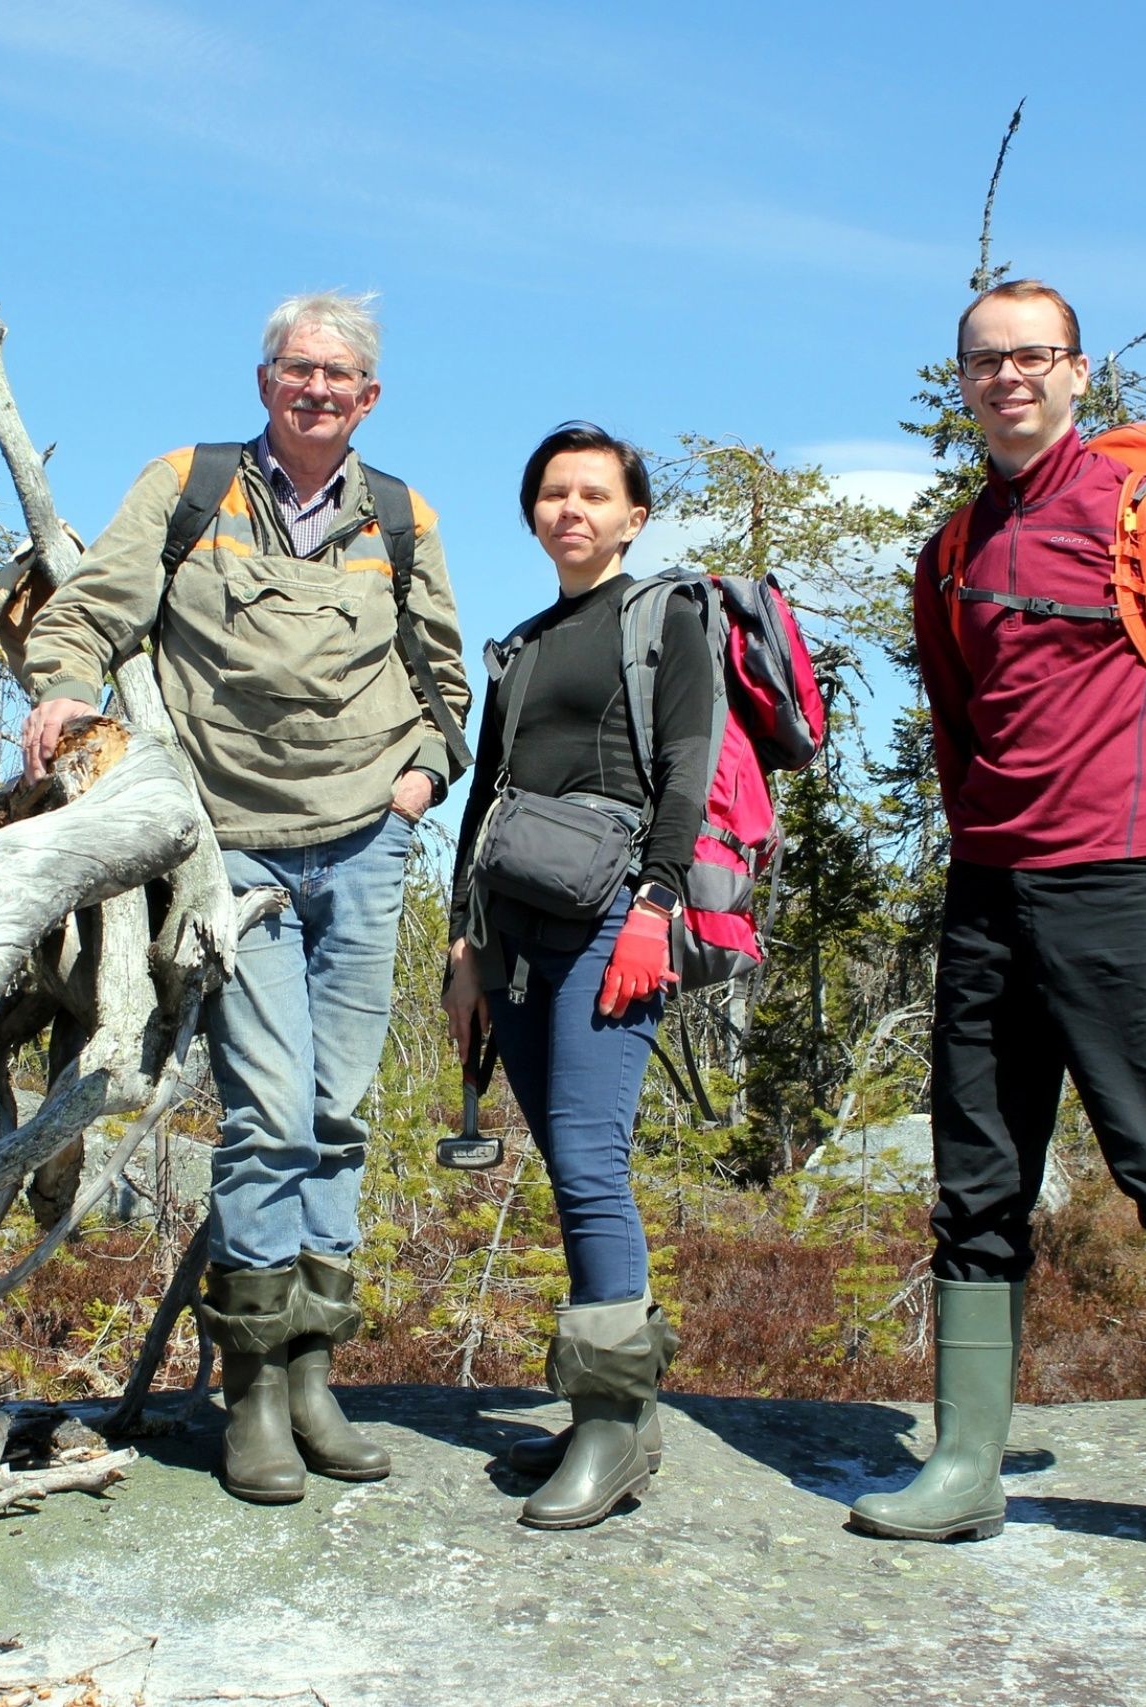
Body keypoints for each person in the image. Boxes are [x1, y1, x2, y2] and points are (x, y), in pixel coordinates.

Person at [847, 281, 1146, 1590]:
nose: (1008, 379)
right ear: (962, 382)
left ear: (1076, 372)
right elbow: (951, 727)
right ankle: (963, 1466)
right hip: (988, 899)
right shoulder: (948, 549)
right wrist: (981, 849)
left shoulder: (1145, 519)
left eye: (1031, 356)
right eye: (984, 361)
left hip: (1128, 888)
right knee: (974, 1183)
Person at [17, 292, 470, 1504]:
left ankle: (314, 1372)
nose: (316, 390)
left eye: (340, 377)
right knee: (269, 1111)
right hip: (235, 855)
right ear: (264, 377)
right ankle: (252, 1392)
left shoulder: (398, 516)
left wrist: (423, 779)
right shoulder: (189, 486)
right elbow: (91, 612)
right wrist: (63, 689)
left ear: (368, 398)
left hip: (369, 843)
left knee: (340, 1112)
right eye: (295, 369)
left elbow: (444, 677)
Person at [442, 422, 712, 1529]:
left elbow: (687, 767)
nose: (572, 510)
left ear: (633, 515)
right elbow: (482, 805)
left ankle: (607, 1429)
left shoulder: (665, 619)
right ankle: (616, 1409)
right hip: (512, 928)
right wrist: (463, 945)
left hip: (612, 913)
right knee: (562, 1158)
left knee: (592, 1157)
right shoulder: (516, 649)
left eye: (595, 495)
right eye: (554, 494)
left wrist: (656, 903)